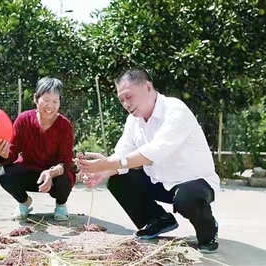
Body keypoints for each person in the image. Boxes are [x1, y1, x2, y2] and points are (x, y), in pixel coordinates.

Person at [76, 68, 220, 254]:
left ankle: (208, 231)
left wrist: (108, 164)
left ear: (148, 87)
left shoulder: (175, 110)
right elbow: (121, 154)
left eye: (129, 97)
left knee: (187, 198)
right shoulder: (133, 121)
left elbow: (153, 153)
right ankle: (158, 220)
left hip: (194, 183)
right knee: (118, 180)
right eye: (121, 100)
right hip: (160, 181)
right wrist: (101, 172)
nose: (126, 104)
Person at [0, 77, 75, 222]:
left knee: (65, 178)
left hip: (53, 176)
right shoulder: (23, 119)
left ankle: (61, 205)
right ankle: (24, 202)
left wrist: (51, 173)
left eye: (55, 101)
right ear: (36, 99)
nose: (50, 105)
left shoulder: (65, 126)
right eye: (46, 100)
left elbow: (66, 161)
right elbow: (12, 152)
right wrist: (4, 154)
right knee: (4, 174)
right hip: (29, 171)